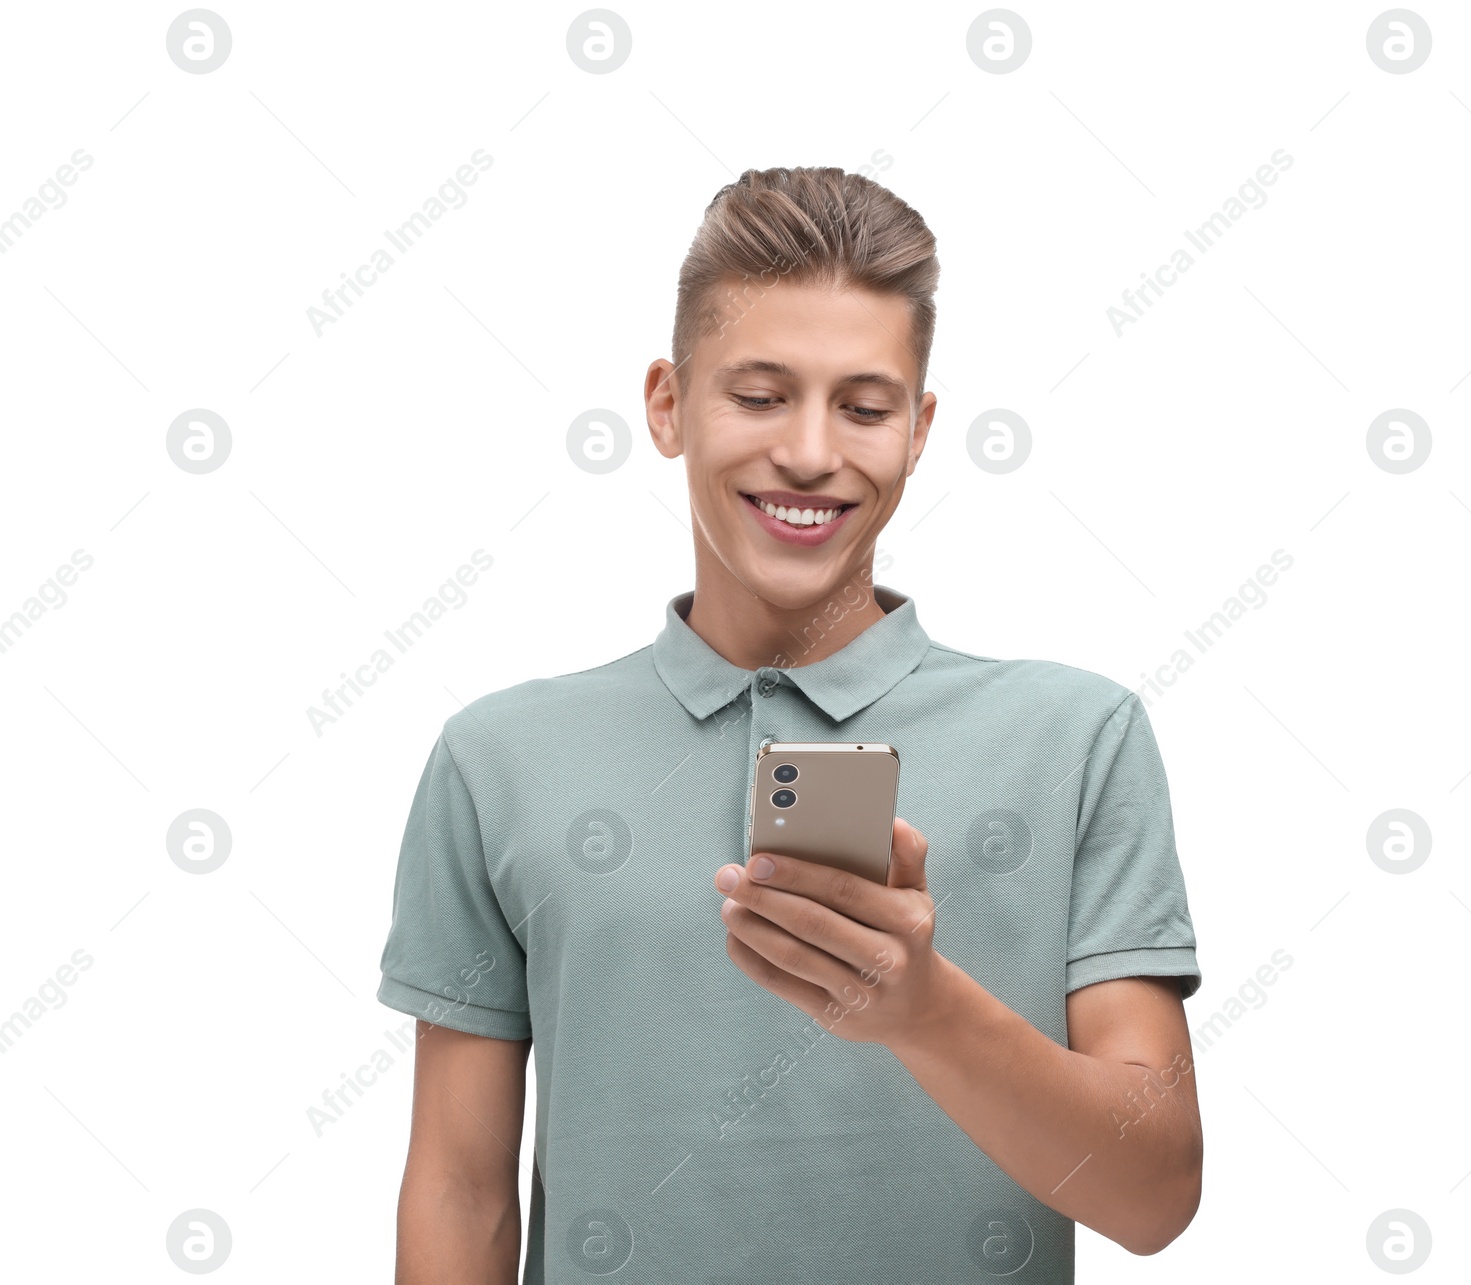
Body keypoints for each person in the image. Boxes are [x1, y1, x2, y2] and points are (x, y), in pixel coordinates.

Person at [377, 165, 1203, 1283]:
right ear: (667, 405)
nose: (811, 452)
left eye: (863, 407)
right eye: (760, 395)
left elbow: (1153, 1197)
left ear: (917, 430)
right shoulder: (498, 759)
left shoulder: (1077, 737)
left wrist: (925, 1011)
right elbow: (461, 1189)